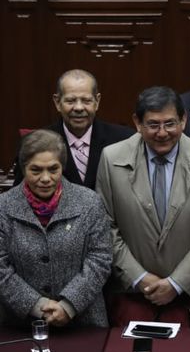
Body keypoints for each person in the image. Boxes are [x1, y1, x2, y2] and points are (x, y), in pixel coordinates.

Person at [96, 86, 190, 327]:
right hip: (131, 296)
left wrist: (176, 283)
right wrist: (140, 278)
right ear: (137, 122)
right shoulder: (111, 159)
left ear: (184, 120)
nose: (162, 133)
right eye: (153, 125)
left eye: (170, 123)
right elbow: (105, 227)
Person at [0, 130, 111, 327]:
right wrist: (38, 306)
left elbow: (100, 259)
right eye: (36, 170)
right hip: (21, 326)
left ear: (62, 168)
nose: (45, 178)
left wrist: (68, 305)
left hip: (83, 322)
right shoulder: (4, 207)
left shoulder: (89, 202)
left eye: (53, 169)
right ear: (23, 168)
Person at [12, 69, 134, 190]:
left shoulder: (124, 139)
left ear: (97, 101)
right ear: (57, 102)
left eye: (86, 100)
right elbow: (18, 196)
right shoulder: (33, 143)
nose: (79, 108)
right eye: (70, 101)